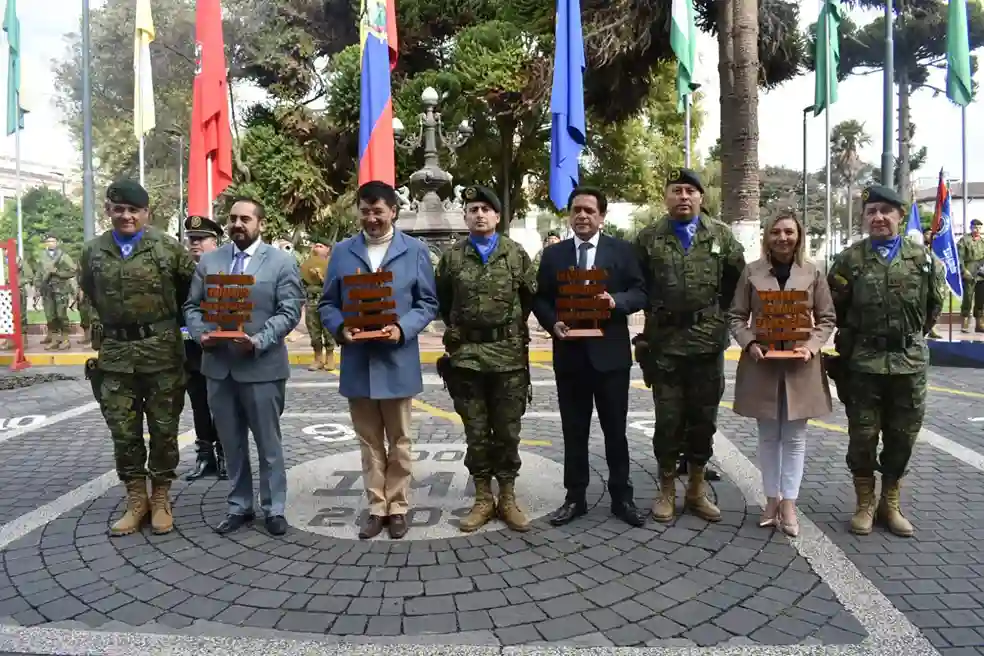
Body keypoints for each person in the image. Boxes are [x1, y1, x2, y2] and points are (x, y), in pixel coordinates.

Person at [320, 181, 438, 540]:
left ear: (393, 212)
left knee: (400, 439)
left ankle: (398, 505)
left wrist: (403, 329)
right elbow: (327, 303)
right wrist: (341, 329)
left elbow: (428, 303)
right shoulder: (342, 252)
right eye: (365, 211)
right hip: (358, 358)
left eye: (378, 211)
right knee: (368, 440)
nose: (372, 218)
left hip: (396, 357)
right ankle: (376, 506)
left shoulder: (414, 250)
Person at [827, 185, 945, 537]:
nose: (878, 217)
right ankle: (864, 502)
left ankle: (890, 503)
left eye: (886, 211)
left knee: (902, 437)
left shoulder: (923, 260)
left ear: (900, 216)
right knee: (862, 436)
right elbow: (837, 309)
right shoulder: (849, 260)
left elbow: (932, 309)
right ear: (864, 219)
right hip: (863, 364)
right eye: (871, 212)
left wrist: (904, 338)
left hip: (908, 364)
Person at [79, 180, 196, 536]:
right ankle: (135, 499)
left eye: (134, 210)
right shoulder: (93, 251)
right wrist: (95, 326)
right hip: (115, 356)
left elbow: (189, 292)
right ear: (109, 211)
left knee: (164, 430)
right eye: (119, 209)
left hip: (161, 353)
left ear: (146, 212)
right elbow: (87, 292)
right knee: (123, 433)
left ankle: (160, 497)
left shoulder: (168, 248)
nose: (126, 216)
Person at [183, 198, 304, 537]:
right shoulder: (209, 261)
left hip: (261, 367)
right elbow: (192, 306)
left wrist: (260, 340)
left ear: (260, 224)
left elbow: (290, 309)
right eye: (233, 218)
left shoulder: (281, 262)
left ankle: (274, 508)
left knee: (268, 444)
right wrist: (200, 333)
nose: (238, 224)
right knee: (232, 443)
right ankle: (239, 506)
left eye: (246, 219)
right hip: (218, 368)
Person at [632, 168, 746, 523]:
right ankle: (666, 490)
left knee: (703, 421)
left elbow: (737, 284)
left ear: (701, 198)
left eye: (689, 191)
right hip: (664, 346)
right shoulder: (648, 239)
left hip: (706, 345)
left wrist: (717, 317)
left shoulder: (722, 237)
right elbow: (638, 284)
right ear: (666, 197)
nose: (683, 196)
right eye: (676, 190)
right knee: (667, 422)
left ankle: (696, 489)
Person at [532, 186, 647, 528]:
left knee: (615, 431)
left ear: (601, 216)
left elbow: (641, 292)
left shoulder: (621, 252)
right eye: (576, 210)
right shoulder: (554, 256)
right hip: (570, 356)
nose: (582, 215)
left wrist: (616, 301)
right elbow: (540, 299)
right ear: (569, 215)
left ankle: (621, 498)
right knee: (574, 431)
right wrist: (554, 324)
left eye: (589, 210)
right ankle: (575, 497)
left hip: (610, 357)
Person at [727, 212, 836, 537]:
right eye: (776, 232)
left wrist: (812, 346)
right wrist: (749, 343)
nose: (783, 238)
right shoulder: (752, 272)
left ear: (799, 236)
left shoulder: (813, 272)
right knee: (768, 436)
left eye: (789, 231)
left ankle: (789, 502)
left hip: (800, 365)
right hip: (763, 364)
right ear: (767, 237)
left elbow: (827, 318)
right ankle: (771, 500)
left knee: (795, 438)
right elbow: (736, 316)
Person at [436, 185, 536, 534]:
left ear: (497, 216)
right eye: (472, 209)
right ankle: (482, 497)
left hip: (508, 358)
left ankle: (507, 496)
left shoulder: (515, 254)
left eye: (485, 209)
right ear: (465, 216)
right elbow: (443, 298)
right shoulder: (452, 258)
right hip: (466, 358)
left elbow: (530, 296)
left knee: (507, 431)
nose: (479, 214)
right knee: (476, 432)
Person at [182, 215, 227, 482]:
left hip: (219, 346)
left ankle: (224, 453)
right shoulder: (183, 270)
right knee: (198, 403)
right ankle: (204, 455)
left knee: (220, 403)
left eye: (200, 239)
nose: (194, 244)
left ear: (215, 241)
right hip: (191, 347)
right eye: (191, 239)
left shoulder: (224, 269)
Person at [35, 235, 76, 351]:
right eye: (48, 241)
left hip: (60, 290)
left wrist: (58, 272)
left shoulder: (63, 256)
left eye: (53, 241)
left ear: (57, 243)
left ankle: (65, 339)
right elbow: (39, 272)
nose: (50, 243)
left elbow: (73, 271)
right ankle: (54, 340)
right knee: (50, 316)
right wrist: (37, 286)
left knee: (61, 315)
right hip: (47, 291)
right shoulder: (42, 256)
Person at [300, 243, 336, 371]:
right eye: (315, 246)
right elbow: (302, 282)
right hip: (311, 302)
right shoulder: (307, 265)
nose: (316, 248)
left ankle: (330, 357)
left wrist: (321, 277)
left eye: (321, 246)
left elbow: (334, 283)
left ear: (328, 250)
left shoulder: (333, 265)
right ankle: (318, 358)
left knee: (328, 331)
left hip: (327, 302)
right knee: (314, 332)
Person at [957, 219, 984, 332]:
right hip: (969, 271)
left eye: (979, 227)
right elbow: (959, 257)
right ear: (970, 227)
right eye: (974, 227)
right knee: (967, 297)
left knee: (980, 299)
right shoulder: (964, 240)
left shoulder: (983, 242)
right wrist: (963, 271)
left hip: (981, 273)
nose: (977, 229)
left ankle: (979, 324)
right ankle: (965, 323)